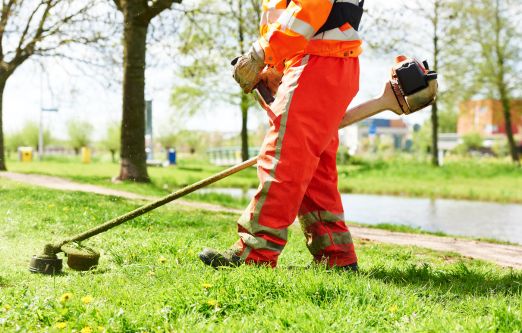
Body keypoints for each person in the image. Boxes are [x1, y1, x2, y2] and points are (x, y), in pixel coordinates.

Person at [199, 0, 364, 271]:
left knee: (283, 158)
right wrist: (276, 66)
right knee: (313, 169)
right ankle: (336, 256)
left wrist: (261, 53)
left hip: (318, 61)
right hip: (326, 61)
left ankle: (255, 253)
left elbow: (311, 7)